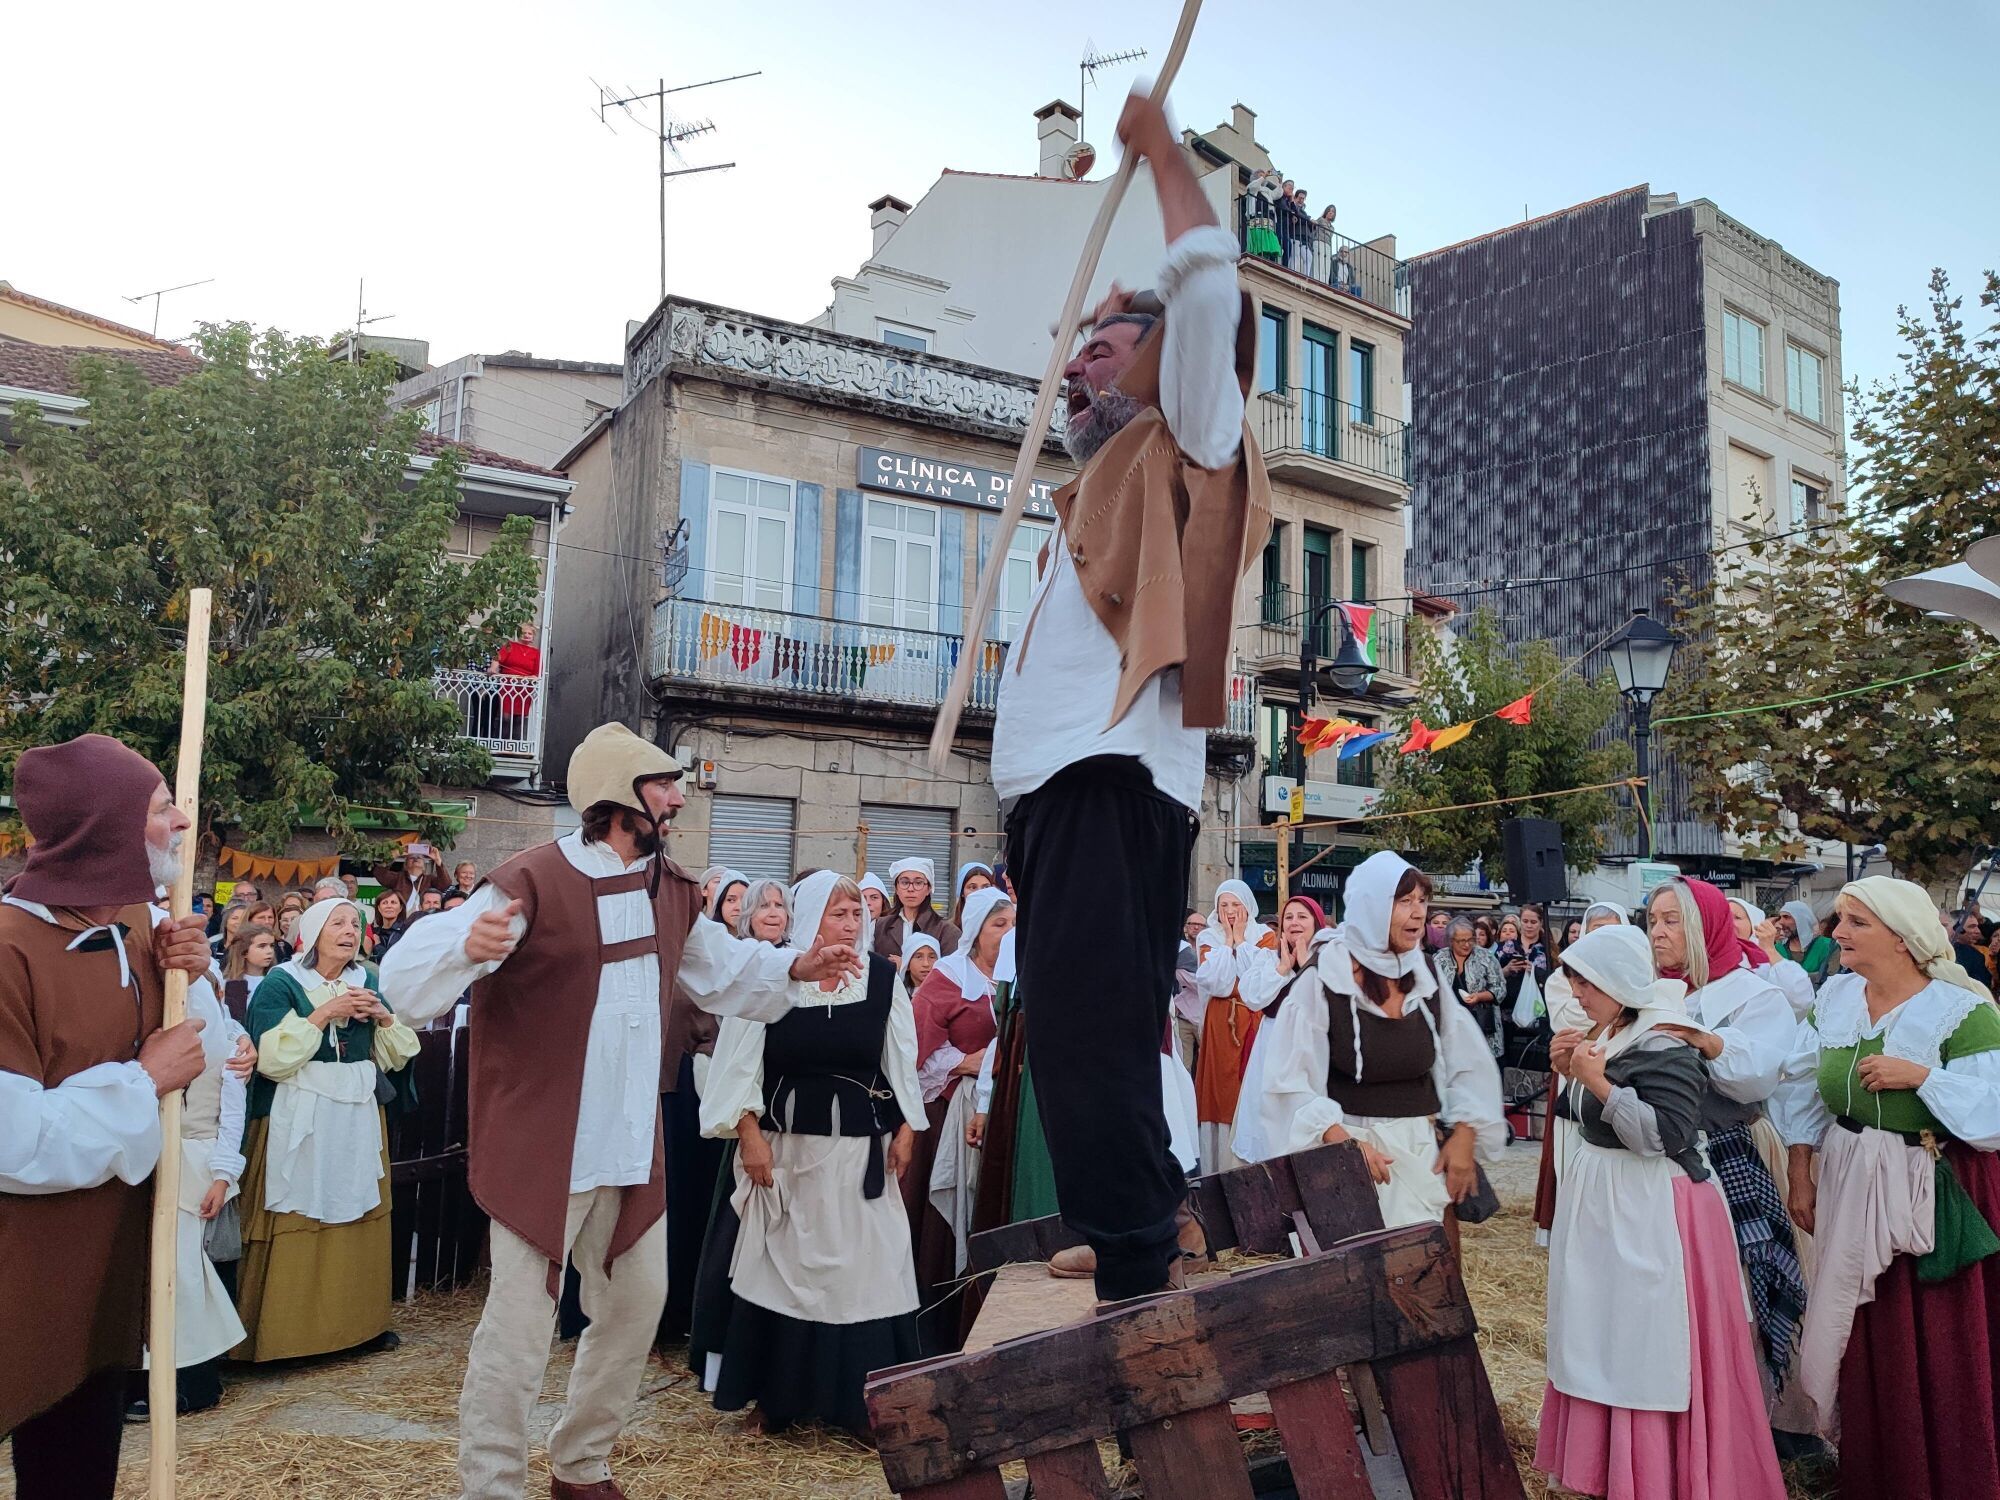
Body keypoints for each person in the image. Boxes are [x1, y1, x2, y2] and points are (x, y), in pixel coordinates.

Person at [380, 723, 858, 1500]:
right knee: (518, 1331)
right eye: (662, 784)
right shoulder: (530, 880)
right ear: (615, 794)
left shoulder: (671, 890)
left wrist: (798, 965)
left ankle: (580, 1464)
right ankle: (492, 1485)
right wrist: (468, 944)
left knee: (638, 1305)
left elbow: (725, 972)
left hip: (632, 1146)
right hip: (548, 1148)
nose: (675, 798)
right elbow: (404, 978)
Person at [991, 85, 1270, 1302]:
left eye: (1114, 333)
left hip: (1104, 786)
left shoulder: (1190, 441)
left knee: (1082, 1046)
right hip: (1062, 796)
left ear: (1170, 365)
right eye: (1082, 337)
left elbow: (1207, 289)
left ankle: (1138, 1266)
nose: (1086, 348)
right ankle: (1139, 1231)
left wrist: (1159, 155)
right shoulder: (1091, 491)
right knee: (1092, 1037)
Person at [0, 734, 215, 1500]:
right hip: (31, 1276)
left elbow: (196, 1055)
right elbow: (13, 1143)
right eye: (161, 808)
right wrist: (140, 1081)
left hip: (113, 1266)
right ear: (107, 831)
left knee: (83, 1473)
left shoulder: (137, 921)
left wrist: (191, 973)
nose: (182, 821)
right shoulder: (8, 950)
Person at [1536, 924, 1788, 1500]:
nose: (1576, 992)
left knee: (1648, 1343)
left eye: (1587, 982)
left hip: (1654, 1209)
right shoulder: (1610, 1028)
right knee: (1607, 1334)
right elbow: (1586, 1118)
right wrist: (1569, 1071)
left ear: (1620, 982)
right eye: (1573, 979)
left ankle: (1663, 1477)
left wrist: (1596, 1082)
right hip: (1609, 1205)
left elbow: (1666, 1134)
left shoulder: (1666, 1039)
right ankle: (1614, 1471)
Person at [1774, 877, 2000, 1491]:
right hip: (1851, 1176)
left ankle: (1947, 1472)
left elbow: (1993, 1113)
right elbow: (1800, 1083)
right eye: (1840, 919)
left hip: (1930, 1187)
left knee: (1927, 1330)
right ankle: (1878, 1469)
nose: (1838, 932)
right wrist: (1801, 1167)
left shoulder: (1963, 1010)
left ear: (1902, 940)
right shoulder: (1838, 999)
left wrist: (1922, 1076)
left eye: (1855, 922)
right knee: (1863, 1328)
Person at [698, 871, 924, 1436]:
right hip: (787, 1154)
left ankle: (862, 1409)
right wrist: (748, 1135)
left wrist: (908, 1127)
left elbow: (898, 1058)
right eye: (837, 913)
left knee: (865, 1272)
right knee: (782, 1270)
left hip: (857, 1157)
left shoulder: (879, 979)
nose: (850, 925)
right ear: (810, 918)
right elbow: (740, 1062)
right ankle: (777, 1401)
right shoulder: (777, 978)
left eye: (857, 915)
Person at [1243, 852, 1506, 1232]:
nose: (1418, 913)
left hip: (1421, 1158)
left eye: (1422, 901)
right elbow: (1288, 1084)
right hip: (1351, 1167)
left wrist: (1465, 1132)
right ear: (1370, 907)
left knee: (1430, 1284)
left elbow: (1468, 1061)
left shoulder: (1425, 975)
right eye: (1404, 901)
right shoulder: (1323, 980)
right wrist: (1343, 1144)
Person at [1645, 878, 1809, 1410]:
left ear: (1705, 926)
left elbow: (1758, 1078)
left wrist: (1706, 1040)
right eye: (1652, 920)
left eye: (1673, 920)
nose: (1658, 932)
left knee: (1744, 1283)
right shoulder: (1647, 991)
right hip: (1663, 1161)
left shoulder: (1754, 994)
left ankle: (1761, 1416)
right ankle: (1692, 1408)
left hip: (1730, 1145)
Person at [232, 897, 419, 1362]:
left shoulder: (367, 980)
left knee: (356, 1203)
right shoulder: (284, 982)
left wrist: (383, 1017)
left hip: (354, 1113)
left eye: (354, 923)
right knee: (299, 1207)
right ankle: (287, 1337)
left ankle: (357, 1327)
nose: (348, 930)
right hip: (300, 1113)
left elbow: (397, 1054)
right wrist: (324, 1013)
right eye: (337, 922)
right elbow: (272, 1060)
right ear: (313, 933)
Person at [127, 962, 252, 1422]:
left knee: (183, 1274)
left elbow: (230, 1115)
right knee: (148, 1273)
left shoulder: (228, 1048)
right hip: (148, 1161)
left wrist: (221, 1175)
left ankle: (193, 1382)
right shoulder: (147, 1039)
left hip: (193, 1163)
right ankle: (145, 1378)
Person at [909, 887, 1012, 1345]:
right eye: (998, 925)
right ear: (975, 931)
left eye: (1012, 924)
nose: (1008, 933)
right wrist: (964, 1062)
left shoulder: (1017, 975)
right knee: (945, 1225)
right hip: (951, 1110)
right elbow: (913, 1044)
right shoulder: (948, 978)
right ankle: (943, 1326)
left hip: (1005, 1110)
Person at [1533, 900, 1634, 1245]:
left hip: (1621, 1074)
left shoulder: (1637, 974)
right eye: (1595, 931)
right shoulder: (1564, 978)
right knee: (1574, 1150)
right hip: (1574, 1072)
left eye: (1611, 930)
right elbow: (1570, 1022)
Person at [1231, 895, 1330, 1165]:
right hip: (1271, 1048)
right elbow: (1252, 998)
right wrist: (1282, 969)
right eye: (1289, 917)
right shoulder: (1267, 959)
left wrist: (1308, 964)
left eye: (1302, 917)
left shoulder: (1330, 961)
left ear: (1316, 923)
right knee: (1268, 1121)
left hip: (1312, 1051)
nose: (1294, 922)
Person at [1192, 881, 1280, 1173]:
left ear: (1247, 905)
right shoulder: (1208, 937)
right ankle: (1218, 1166)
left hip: (1252, 1021)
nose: (1229, 911)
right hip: (1220, 1024)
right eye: (1223, 905)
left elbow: (1259, 979)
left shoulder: (1265, 935)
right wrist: (1228, 943)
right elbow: (1216, 982)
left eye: (1235, 904)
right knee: (1220, 1091)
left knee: (1250, 1086)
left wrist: (1241, 941)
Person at [1434, 916, 1506, 1058]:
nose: (1467, 945)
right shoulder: (1439, 959)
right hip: (1450, 1027)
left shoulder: (1486, 957)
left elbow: (1500, 989)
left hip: (1481, 1025)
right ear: (1450, 941)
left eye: (1470, 939)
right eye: (1461, 941)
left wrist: (1480, 996)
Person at [1731, 898, 1814, 1019]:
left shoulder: (1766, 963)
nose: (1728, 922)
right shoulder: (1708, 961)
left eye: (1737, 917)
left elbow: (1801, 1000)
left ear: (1755, 925)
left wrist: (1769, 950)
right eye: (1723, 916)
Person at [872, 857, 960, 963]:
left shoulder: (946, 931)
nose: (910, 889)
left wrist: (905, 966)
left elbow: (950, 973)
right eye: (905, 882)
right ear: (896, 888)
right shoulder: (879, 927)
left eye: (918, 883)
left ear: (928, 889)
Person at [221, 924, 280, 1023]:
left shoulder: (278, 981)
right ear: (244, 951)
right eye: (262, 946)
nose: (269, 951)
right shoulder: (230, 984)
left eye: (271, 946)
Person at [374, 842, 446, 910]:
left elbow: (445, 884)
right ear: (405, 865)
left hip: (423, 918)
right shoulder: (398, 878)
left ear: (424, 866)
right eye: (411, 857)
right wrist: (394, 855)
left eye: (419, 857)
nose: (415, 858)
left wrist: (437, 860)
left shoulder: (429, 879)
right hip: (402, 919)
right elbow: (380, 874)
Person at [1777, 900, 1835, 980]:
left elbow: (1833, 980)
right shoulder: (1777, 949)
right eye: (1780, 917)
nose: (1781, 922)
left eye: (1786, 917)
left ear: (1801, 919)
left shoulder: (1828, 946)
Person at [368, 887, 409, 964]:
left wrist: (377, 944)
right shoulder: (374, 932)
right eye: (385, 903)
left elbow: (392, 961)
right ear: (379, 908)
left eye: (393, 902)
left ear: (400, 908)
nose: (389, 906)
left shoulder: (407, 932)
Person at [950, 861, 994, 928]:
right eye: (973, 887)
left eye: (986, 887)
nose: (980, 892)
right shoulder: (948, 931)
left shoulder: (1003, 928)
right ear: (962, 892)